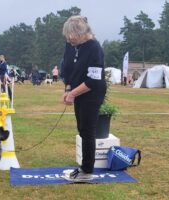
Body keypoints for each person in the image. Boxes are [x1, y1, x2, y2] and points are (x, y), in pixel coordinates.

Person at [61, 16, 107, 182]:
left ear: (82, 33)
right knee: (81, 128)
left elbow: (93, 80)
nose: (68, 39)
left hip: (92, 92)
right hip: (78, 90)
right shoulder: (73, 45)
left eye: (71, 35)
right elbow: (68, 68)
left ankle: (87, 172)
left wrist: (73, 93)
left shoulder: (94, 48)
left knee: (87, 131)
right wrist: (68, 88)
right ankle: (83, 168)